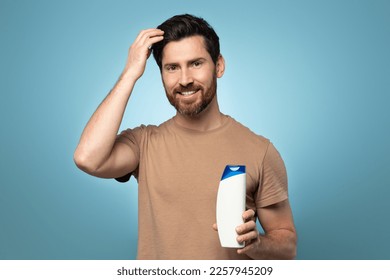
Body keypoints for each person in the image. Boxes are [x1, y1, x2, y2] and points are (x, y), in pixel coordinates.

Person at [74, 14, 297, 260]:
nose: (184, 79)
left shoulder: (260, 151)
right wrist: (129, 74)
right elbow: (87, 158)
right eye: (172, 68)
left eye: (196, 63)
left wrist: (258, 245)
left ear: (219, 66)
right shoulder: (144, 143)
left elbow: (287, 244)